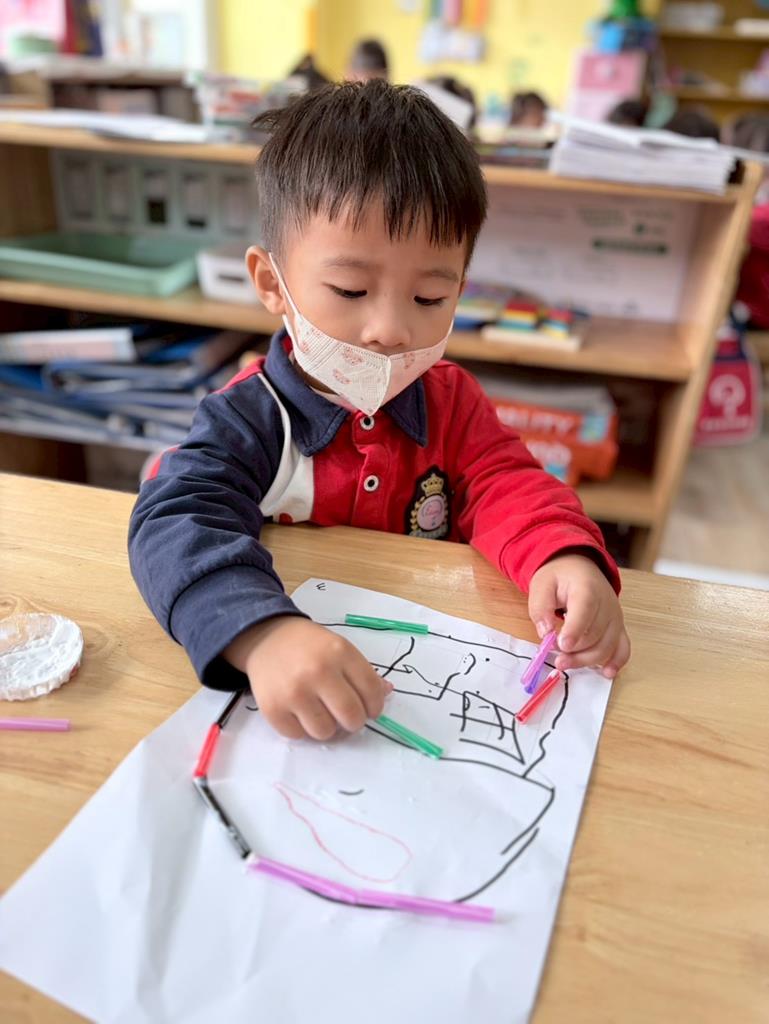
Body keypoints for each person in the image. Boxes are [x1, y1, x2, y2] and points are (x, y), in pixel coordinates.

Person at [128, 81, 630, 743]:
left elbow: (507, 482)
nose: (390, 330)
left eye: (428, 298)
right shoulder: (248, 417)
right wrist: (259, 634)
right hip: (296, 697)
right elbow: (176, 520)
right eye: (350, 289)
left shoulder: (451, 401)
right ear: (272, 283)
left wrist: (560, 555)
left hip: (427, 673)